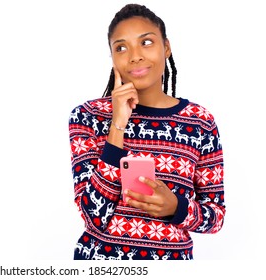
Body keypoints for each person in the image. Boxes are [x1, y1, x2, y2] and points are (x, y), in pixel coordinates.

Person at [68, 3, 225, 260]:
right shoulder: (87, 116)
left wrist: (176, 207)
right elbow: (92, 216)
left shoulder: (200, 122)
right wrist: (117, 125)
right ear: (112, 57)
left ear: (166, 48)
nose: (135, 56)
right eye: (121, 47)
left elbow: (216, 217)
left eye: (147, 42)